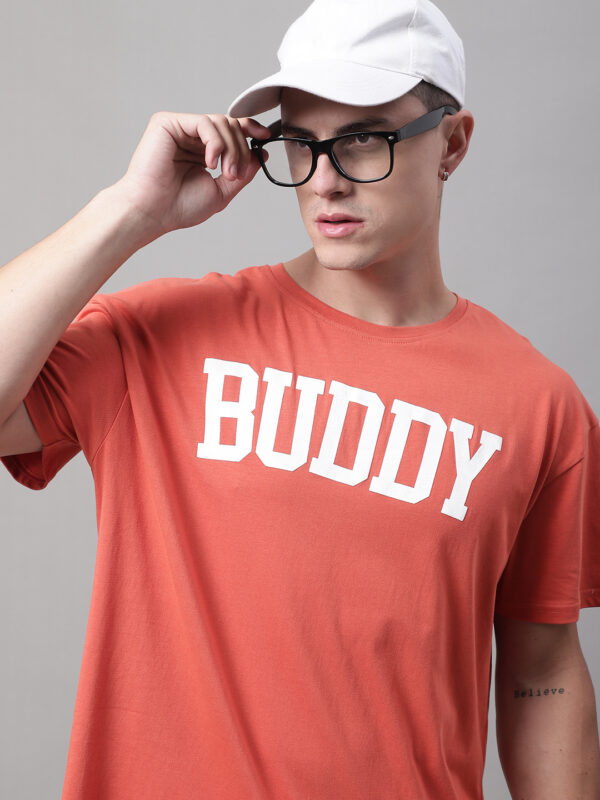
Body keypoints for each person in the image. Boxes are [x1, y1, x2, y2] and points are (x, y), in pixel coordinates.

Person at [1, 0, 599, 797]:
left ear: (452, 143)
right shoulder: (157, 341)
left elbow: (542, 673)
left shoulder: (539, 406)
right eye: (302, 143)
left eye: (363, 139)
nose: (324, 180)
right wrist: (129, 211)